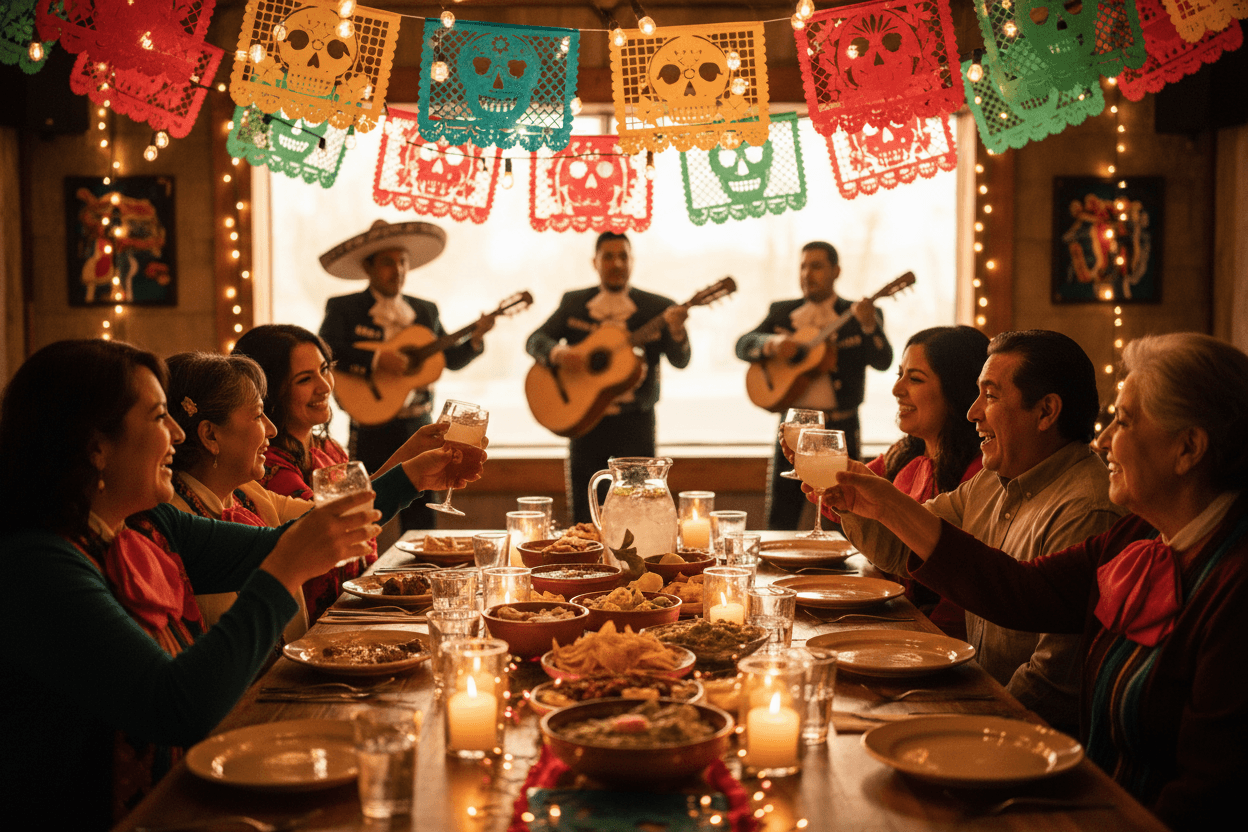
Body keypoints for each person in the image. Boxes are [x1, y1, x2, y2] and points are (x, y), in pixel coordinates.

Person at [0, 339, 456, 829]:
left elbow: (280, 543)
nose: (177, 433)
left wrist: (412, 475)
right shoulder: (37, 567)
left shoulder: (147, 526)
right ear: (96, 447)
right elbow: (174, 705)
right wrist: (285, 570)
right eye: (158, 417)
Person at [825, 332, 1248, 831]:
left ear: (1188, 449)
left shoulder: (1233, 586)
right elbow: (1022, 591)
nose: (1104, 439)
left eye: (1126, 421)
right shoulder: (1145, 535)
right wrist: (880, 500)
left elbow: (1209, 797)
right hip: (1088, 798)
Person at [824, 330, 1126, 733]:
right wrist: (863, 503)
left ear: (1046, 412)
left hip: (1020, 741)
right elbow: (905, 548)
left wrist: (956, 723)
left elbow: (1052, 686)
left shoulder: (1086, 510)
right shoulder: (991, 480)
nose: (972, 412)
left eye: (991, 395)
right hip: (974, 700)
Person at [164, 351, 476, 634]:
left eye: (325, 369)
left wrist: (413, 471)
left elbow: (336, 519)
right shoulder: (173, 520)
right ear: (209, 435)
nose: (270, 430)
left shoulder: (250, 495)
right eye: (258, 415)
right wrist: (410, 473)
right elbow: (313, 533)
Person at [808, 325, 989, 638]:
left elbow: (960, 601)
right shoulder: (902, 454)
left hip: (930, 639)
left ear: (957, 390)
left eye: (915, 378)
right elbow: (851, 506)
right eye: (900, 374)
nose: (897, 389)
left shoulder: (978, 475)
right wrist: (821, 475)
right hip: (893, 619)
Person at [318, 219, 493, 530]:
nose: (397, 270)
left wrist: (476, 339)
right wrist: (375, 360)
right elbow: (326, 350)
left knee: (422, 515)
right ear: (368, 268)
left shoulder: (425, 310)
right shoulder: (345, 308)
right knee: (361, 511)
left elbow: (448, 359)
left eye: (402, 262)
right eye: (388, 263)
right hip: (371, 427)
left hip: (418, 424)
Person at [526, 231, 690, 524]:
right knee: (584, 510)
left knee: (640, 511)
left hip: (636, 423)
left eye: (623, 256)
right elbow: (535, 341)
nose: (616, 263)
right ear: (595, 262)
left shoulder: (658, 308)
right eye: (608, 256)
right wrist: (559, 354)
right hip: (585, 420)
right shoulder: (575, 303)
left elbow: (681, 359)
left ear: (632, 261)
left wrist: (677, 331)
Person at [736, 241, 893, 529]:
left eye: (817, 266)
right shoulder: (782, 312)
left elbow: (883, 360)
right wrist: (773, 344)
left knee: (846, 514)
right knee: (781, 515)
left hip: (840, 430)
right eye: (803, 266)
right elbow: (742, 345)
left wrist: (870, 326)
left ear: (836, 271)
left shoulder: (860, 314)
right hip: (794, 430)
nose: (808, 274)